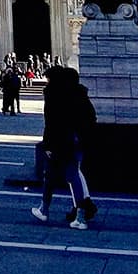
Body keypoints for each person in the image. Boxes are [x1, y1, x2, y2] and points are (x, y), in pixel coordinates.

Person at [31, 66, 98, 230]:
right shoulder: (79, 94)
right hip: (76, 141)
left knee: (59, 175)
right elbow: (91, 117)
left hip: (59, 143)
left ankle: (69, 214)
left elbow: (51, 122)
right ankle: (47, 209)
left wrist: (47, 144)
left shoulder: (54, 95)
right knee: (61, 175)